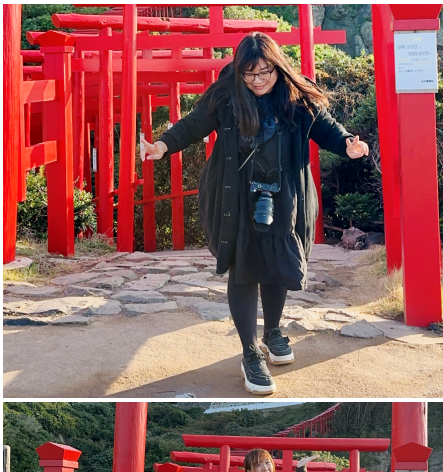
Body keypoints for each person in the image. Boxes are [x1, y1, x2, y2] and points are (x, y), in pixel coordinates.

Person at [141, 32, 370, 395]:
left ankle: (274, 331)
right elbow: (194, 123)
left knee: (279, 262)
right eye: (250, 74)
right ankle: (250, 352)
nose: (259, 80)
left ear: (277, 66)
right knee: (244, 267)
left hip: (285, 194)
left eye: (265, 72)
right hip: (238, 196)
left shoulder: (296, 97)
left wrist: (347, 145)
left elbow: (325, 128)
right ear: (240, 72)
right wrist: (163, 145)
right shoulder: (227, 95)